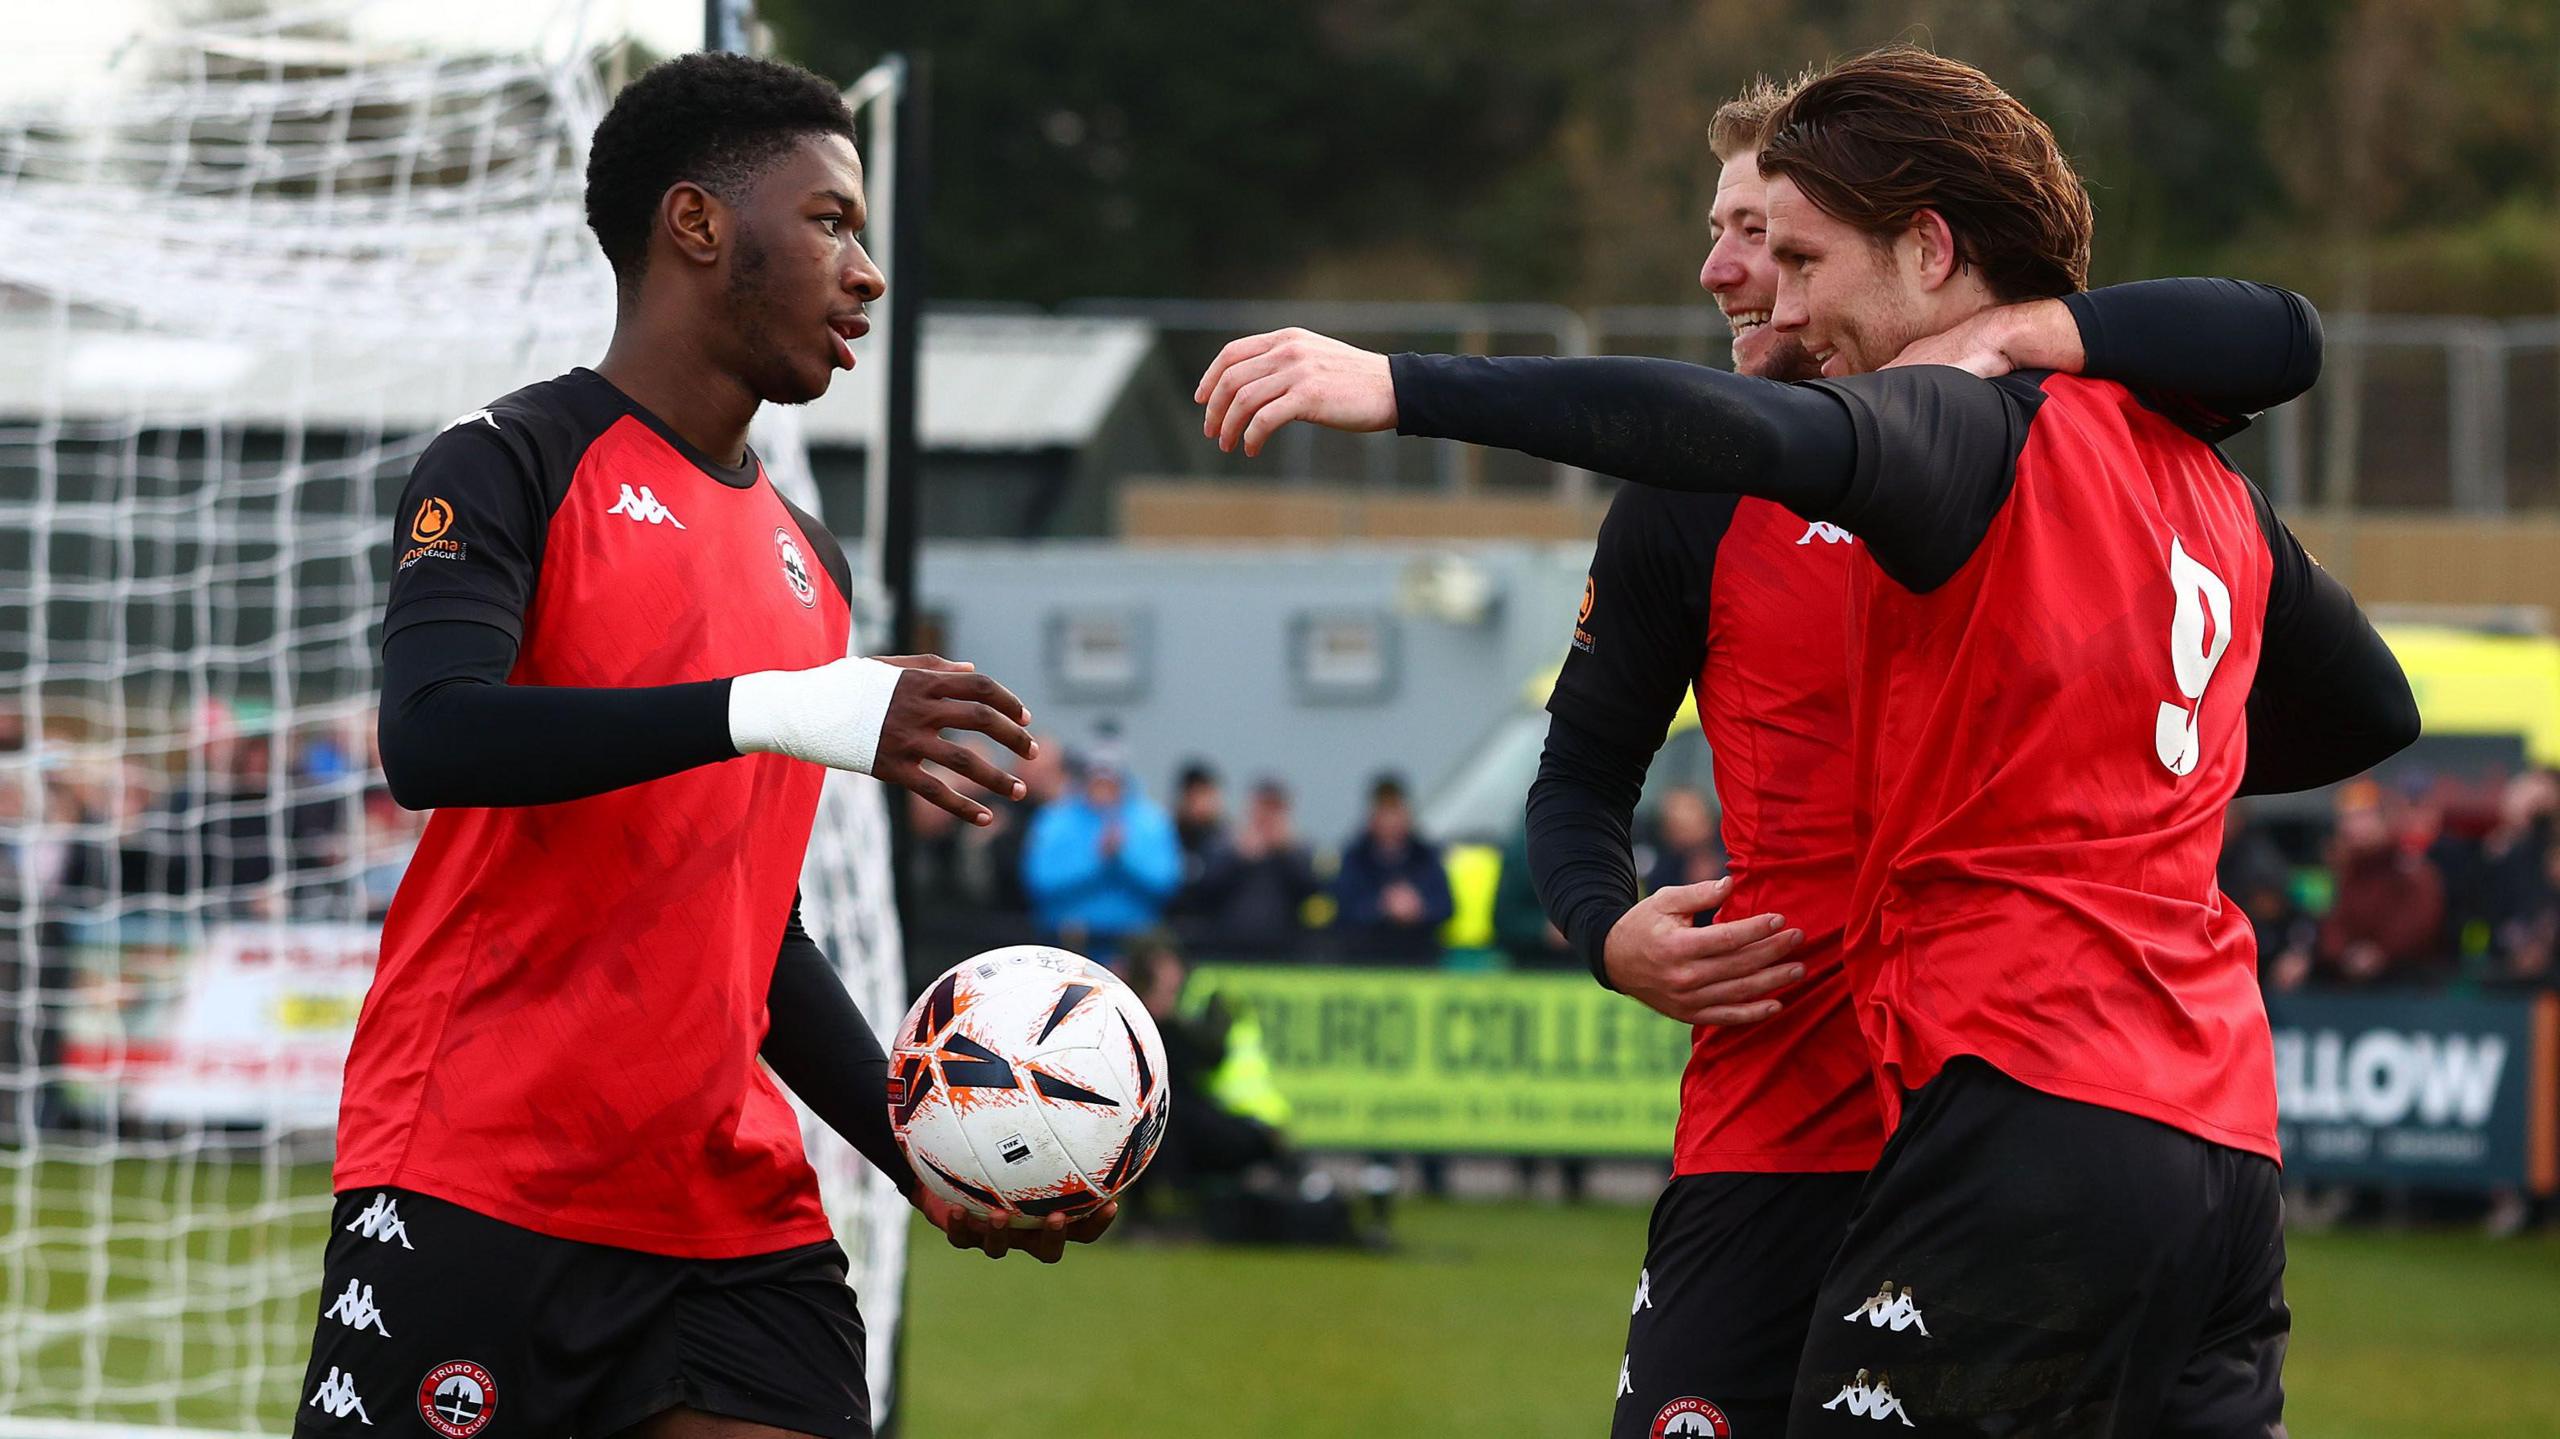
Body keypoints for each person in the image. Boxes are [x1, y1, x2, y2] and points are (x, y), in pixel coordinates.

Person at [1198, 45, 2419, 1436]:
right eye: (1734, 237)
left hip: (2004, 1087)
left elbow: (2278, 347)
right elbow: (1581, 773)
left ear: (1928, 247)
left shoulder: (1962, 432)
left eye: (1785, 246)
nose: (1750, 277)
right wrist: (1608, 928)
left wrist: (1403, 387)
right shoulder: (2182, 470)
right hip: (2112, 1112)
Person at [295, 54, 1102, 1439]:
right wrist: (775, 700)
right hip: (484, 1178)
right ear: (697, 225)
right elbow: (432, 735)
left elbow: (751, 928)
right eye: (835, 221)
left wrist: (922, 1145)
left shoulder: (810, 559)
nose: (867, 272)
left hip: (734, 1218)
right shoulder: (509, 460)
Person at [1021, 742, 1183, 965]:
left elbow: (1166, 883)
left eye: (1110, 780)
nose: (1103, 787)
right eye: (1097, 780)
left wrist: (1121, 859)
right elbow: (1040, 882)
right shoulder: (1055, 819)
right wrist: (1098, 862)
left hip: (1134, 948)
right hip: (1068, 945)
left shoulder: (1152, 820)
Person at [1182, 777, 1322, 957]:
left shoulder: (1299, 850)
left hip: (1283, 951)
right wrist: (1239, 857)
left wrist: (1286, 852)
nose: (1267, 818)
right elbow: (1204, 891)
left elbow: (1313, 892)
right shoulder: (1224, 844)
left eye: (1274, 810)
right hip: (1228, 948)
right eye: (1262, 808)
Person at [1330, 773, 1454, 962]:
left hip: (1419, 958)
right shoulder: (1355, 857)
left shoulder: (1426, 855)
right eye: (1384, 811)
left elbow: (1446, 906)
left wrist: (1419, 908)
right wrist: (1381, 907)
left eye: (1394, 810)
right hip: (1366, 959)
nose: (1389, 820)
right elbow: (1343, 910)